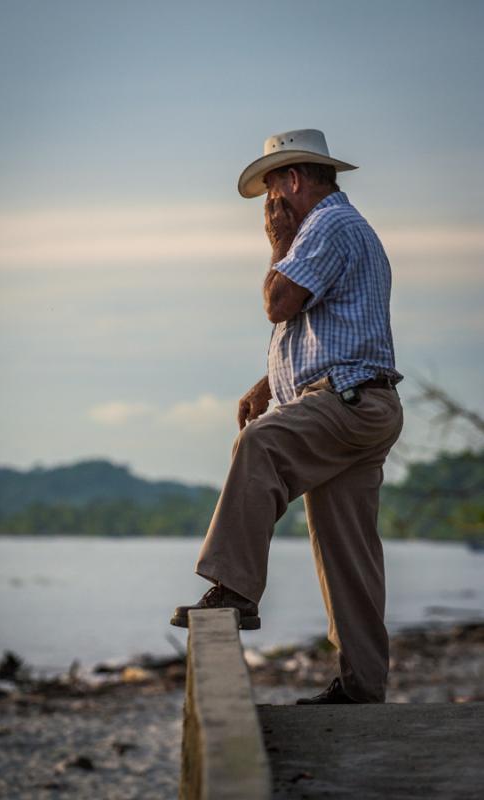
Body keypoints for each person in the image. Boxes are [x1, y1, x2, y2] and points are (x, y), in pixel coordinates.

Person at [170, 129, 404, 704]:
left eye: (272, 191)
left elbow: (278, 302)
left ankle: (234, 590)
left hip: (347, 403)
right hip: (360, 401)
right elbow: (320, 334)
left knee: (260, 446)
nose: (271, 207)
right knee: (346, 551)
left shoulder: (324, 225)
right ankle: (362, 685)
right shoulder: (344, 228)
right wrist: (267, 385)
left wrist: (278, 243)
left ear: (293, 181)